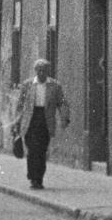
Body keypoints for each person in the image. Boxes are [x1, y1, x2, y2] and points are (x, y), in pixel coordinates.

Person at [13, 58, 70, 190]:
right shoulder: (27, 85)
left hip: (45, 120)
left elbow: (62, 103)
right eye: (39, 70)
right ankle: (32, 177)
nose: (41, 73)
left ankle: (39, 178)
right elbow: (20, 106)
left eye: (44, 70)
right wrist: (17, 122)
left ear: (48, 71)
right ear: (35, 71)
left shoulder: (55, 86)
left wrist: (64, 117)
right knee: (32, 150)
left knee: (42, 150)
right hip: (30, 120)